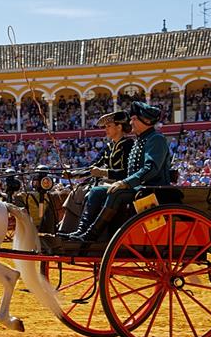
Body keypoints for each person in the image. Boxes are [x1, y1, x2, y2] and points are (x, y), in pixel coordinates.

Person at [64, 101, 172, 242]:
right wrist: (74, 173)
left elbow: (150, 168)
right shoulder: (140, 141)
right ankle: (81, 231)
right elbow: (96, 165)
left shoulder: (156, 139)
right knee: (96, 191)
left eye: (134, 119)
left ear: (146, 121)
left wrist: (125, 183)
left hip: (151, 190)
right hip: (137, 188)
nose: (131, 123)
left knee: (116, 193)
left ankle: (91, 236)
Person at [58, 110, 134, 236]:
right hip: (106, 182)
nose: (106, 129)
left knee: (91, 193)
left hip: (119, 184)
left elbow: (126, 173)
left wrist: (103, 172)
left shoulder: (128, 145)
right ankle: (67, 229)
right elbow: (93, 166)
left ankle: (85, 232)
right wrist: (73, 174)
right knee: (76, 193)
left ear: (119, 127)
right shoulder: (109, 147)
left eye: (109, 126)